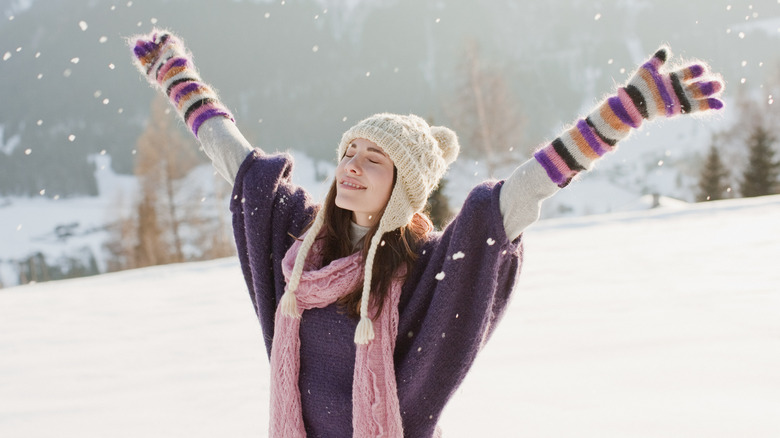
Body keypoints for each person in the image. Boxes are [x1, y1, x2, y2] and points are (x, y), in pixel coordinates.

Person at [130, 30, 724, 437]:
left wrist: (623, 112)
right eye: (350, 153)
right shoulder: (303, 245)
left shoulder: (424, 266)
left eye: (375, 161)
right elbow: (241, 165)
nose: (353, 167)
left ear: (403, 189)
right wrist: (179, 80)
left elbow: (515, 197)